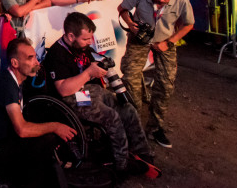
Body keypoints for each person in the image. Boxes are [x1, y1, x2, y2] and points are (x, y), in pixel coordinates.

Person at [43, 12, 158, 178]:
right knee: (111, 116)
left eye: (90, 38)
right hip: (72, 98)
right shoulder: (57, 54)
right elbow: (63, 90)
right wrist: (89, 72)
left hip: (92, 91)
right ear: (71, 36)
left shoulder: (83, 48)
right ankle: (121, 164)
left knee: (128, 109)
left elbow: (95, 65)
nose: (90, 42)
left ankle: (142, 153)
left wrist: (101, 68)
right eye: (85, 39)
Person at [0, 37, 77, 188]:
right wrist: (55, 127)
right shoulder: (6, 84)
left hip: (3, 138)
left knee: (43, 123)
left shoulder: (17, 79)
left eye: (35, 57)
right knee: (46, 139)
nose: (36, 62)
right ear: (15, 63)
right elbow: (22, 130)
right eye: (30, 58)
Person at [117, 0, 195, 149]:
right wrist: (130, 24)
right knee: (130, 79)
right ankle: (134, 125)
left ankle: (155, 127)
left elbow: (189, 24)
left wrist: (170, 42)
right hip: (139, 40)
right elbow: (122, 9)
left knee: (166, 85)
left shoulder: (182, 0)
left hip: (165, 41)